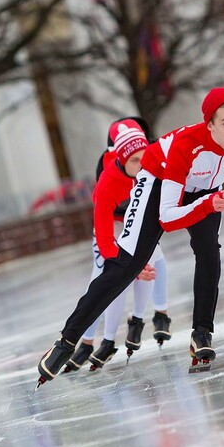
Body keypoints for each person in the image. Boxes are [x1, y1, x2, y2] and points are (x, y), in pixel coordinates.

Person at [36, 87, 224, 386]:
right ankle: (66, 342)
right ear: (209, 124)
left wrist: (206, 198)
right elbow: (168, 218)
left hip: (204, 188)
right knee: (126, 266)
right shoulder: (186, 146)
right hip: (160, 182)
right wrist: (206, 204)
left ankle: (201, 334)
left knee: (209, 250)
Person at [63, 119, 172, 372]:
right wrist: (124, 264)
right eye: (133, 158)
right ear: (117, 155)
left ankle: (149, 318)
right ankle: (91, 341)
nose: (141, 162)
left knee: (155, 261)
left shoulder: (153, 157)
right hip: (114, 223)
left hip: (137, 219)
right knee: (105, 278)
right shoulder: (108, 172)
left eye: (144, 153)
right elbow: (103, 231)